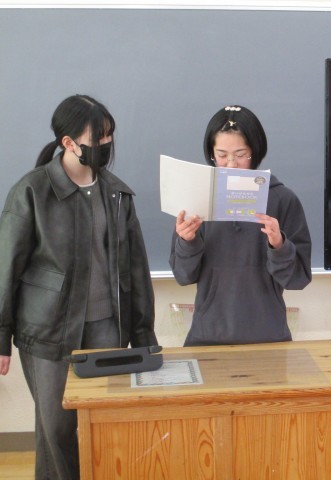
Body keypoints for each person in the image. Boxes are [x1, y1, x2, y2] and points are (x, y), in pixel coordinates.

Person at [0, 94, 157, 480]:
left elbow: (136, 271)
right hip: (48, 332)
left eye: (109, 135)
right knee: (56, 431)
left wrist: (143, 336)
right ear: (69, 143)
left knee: (101, 427)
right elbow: (6, 268)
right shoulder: (31, 191)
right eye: (97, 137)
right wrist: (0, 336)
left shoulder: (117, 194)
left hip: (106, 329)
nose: (106, 144)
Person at [170, 105, 312, 346]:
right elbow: (183, 275)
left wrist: (279, 246)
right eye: (221, 155)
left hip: (269, 337)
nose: (231, 164)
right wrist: (187, 242)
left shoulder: (283, 199)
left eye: (240, 154)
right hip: (207, 336)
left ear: (255, 152)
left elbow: (298, 279)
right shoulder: (197, 198)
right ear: (211, 153)